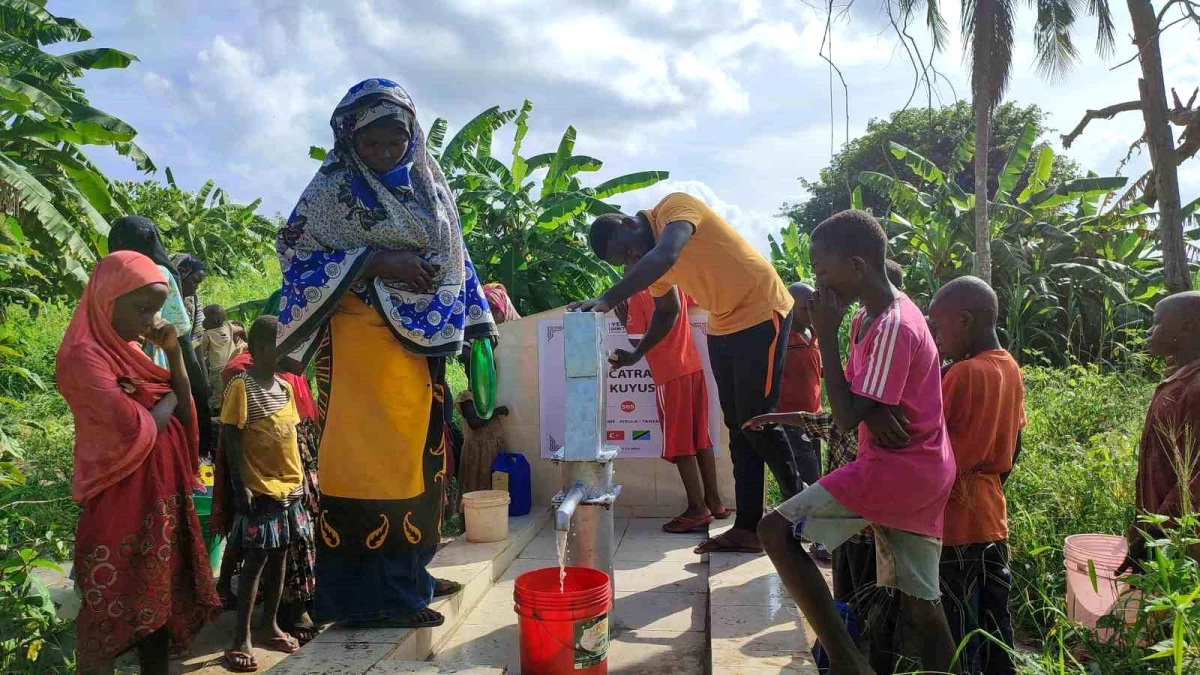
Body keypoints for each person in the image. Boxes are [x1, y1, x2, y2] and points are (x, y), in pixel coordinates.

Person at [276, 78, 497, 628]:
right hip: (360, 348)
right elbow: (296, 254)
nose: (382, 152)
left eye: (393, 141)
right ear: (351, 140)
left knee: (423, 461)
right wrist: (376, 261)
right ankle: (373, 599)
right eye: (371, 143)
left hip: (424, 351)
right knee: (372, 468)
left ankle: (412, 573)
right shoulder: (332, 191)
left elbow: (455, 254)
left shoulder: (428, 184)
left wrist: (476, 323)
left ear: (410, 136)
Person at [755, 210, 958, 675]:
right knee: (920, 604)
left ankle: (848, 663)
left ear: (859, 266)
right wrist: (873, 407)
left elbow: (846, 416)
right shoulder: (868, 319)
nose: (818, 282)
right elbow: (860, 397)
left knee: (776, 531)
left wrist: (824, 333)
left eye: (823, 270)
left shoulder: (891, 324)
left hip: (899, 471)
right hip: (909, 466)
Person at [572, 192, 795, 554]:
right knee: (739, 428)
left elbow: (667, 254)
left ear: (630, 223)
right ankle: (748, 528)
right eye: (624, 262)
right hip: (724, 325)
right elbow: (667, 312)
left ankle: (801, 511)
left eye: (627, 252)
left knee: (759, 422)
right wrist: (637, 353)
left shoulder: (674, 209)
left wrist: (610, 297)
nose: (631, 261)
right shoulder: (654, 265)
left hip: (761, 308)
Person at [56, 251, 221, 675]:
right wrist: (167, 394)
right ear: (107, 298)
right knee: (107, 606)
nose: (149, 321)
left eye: (155, 310)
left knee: (160, 604)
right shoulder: (83, 356)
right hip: (119, 498)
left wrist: (175, 357)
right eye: (141, 308)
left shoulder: (130, 349)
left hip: (161, 495)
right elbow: (135, 427)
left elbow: (186, 413)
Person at [928, 276, 1025, 675]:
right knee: (993, 620)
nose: (935, 335)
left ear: (965, 319)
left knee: (957, 624)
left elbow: (928, 447)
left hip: (954, 519)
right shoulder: (1010, 368)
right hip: (991, 514)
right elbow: (1016, 444)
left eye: (938, 325)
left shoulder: (962, 374)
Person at [211, 346, 320, 644]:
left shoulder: (284, 385)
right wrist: (241, 485)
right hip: (260, 490)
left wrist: (299, 484)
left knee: (280, 558)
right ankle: (240, 639)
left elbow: (291, 436)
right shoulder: (241, 383)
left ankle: (272, 624)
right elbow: (231, 437)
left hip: (290, 489)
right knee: (256, 561)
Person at [616, 287, 729, 533]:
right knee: (701, 438)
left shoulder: (637, 296)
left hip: (669, 375)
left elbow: (637, 343)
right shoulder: (674, 283)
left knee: (680, 443)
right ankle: (715, 502)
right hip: (693, 368)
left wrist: (625, 321)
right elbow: (699, 298)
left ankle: (697, 509)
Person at [108, 217, 214, 454]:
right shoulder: (160, 273)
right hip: (154, 358)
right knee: (163, 421)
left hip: (113, 358)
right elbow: (178, 330)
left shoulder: (107, 272)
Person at [1121, 291, 1200, 573]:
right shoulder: (1179, 378)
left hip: (1180, 541)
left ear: (1187, 327)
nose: (1150, 332)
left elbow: (1194, 479)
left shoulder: (1195, 389)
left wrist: (1154, 531)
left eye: (1157, 323)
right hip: (1163, 533)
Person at [198, 304, 244, 410]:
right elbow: (240, 328)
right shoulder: (228, 326)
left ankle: (212, 411)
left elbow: (201, 352)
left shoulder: (208, 334)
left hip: (217, 370)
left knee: (218, 395)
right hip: (233, 365)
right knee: (231, 390)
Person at [172, 253, 209, 344]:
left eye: (199, 283)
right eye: (194, 281)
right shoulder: (162, 299)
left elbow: (196, 340)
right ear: (181, 275)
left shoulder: (192, 302)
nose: (196, 287)